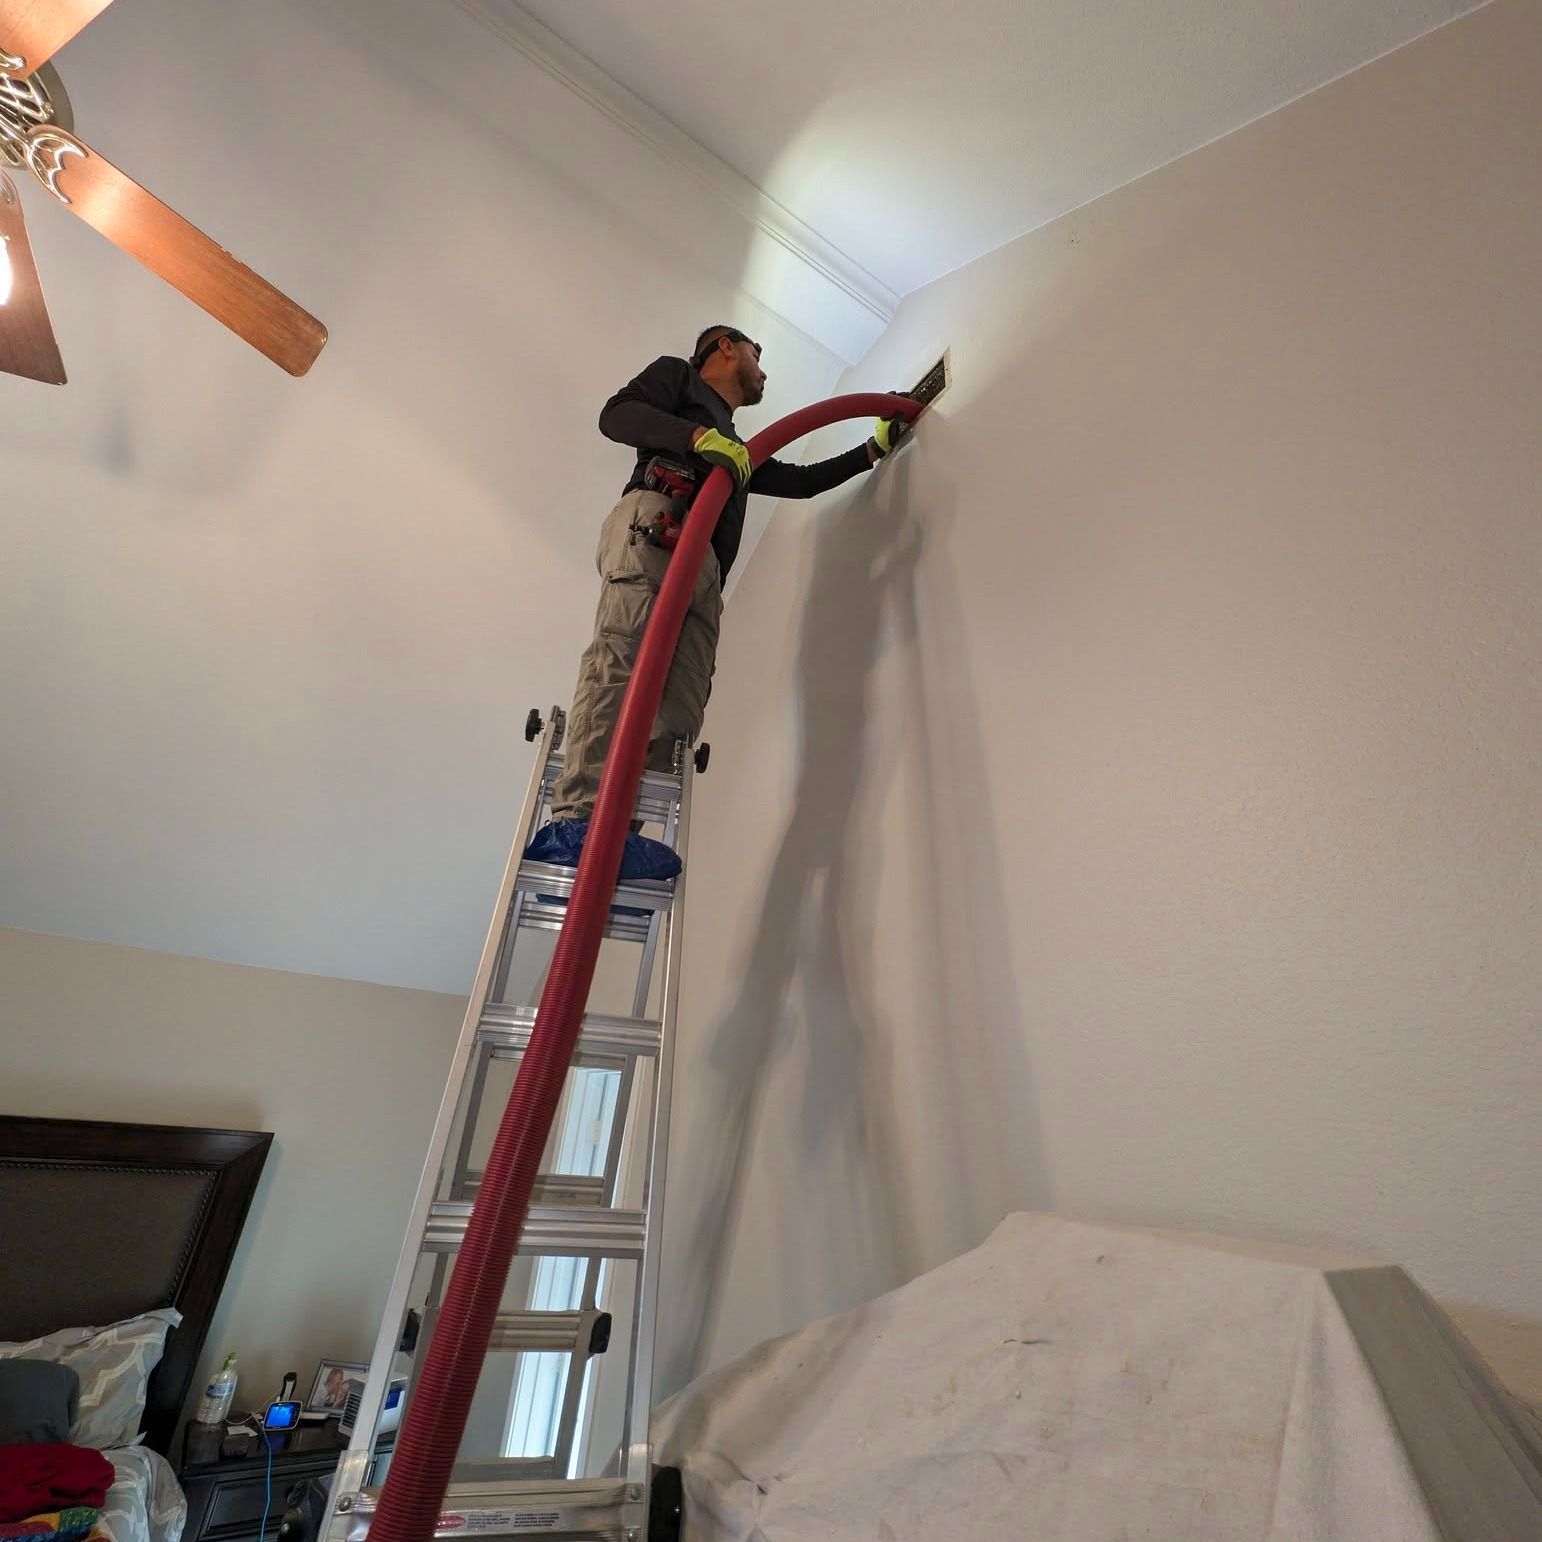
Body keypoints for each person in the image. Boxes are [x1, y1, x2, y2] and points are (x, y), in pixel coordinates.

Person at [526, 324, 910, 876]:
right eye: (759, 352)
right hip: (660, 524)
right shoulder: (678, 378)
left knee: (679, 708)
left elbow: (800, 481)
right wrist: (696, 440)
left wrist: (872, 449)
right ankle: (578, 818)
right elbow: (617, 415)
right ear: (726, 346)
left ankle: (620, 837)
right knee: (626, 657)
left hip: (703, 569)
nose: (765, 368)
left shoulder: (741, 448)